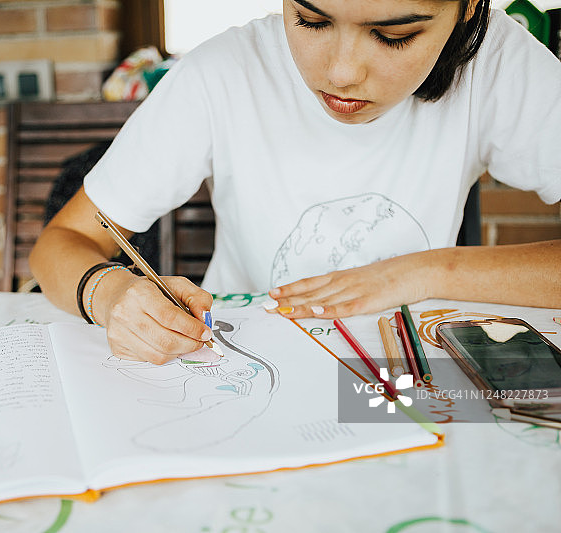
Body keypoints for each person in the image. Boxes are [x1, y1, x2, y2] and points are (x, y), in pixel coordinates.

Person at [29, 0, 561, 365]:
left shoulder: (497, 64)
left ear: (467, 10)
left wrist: (419, 273)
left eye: (394, 35)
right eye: (310, 19)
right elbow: (62, 243)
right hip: (241, 361)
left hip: (410, 370)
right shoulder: (223, 72)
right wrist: (111, 292)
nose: (342, 73)